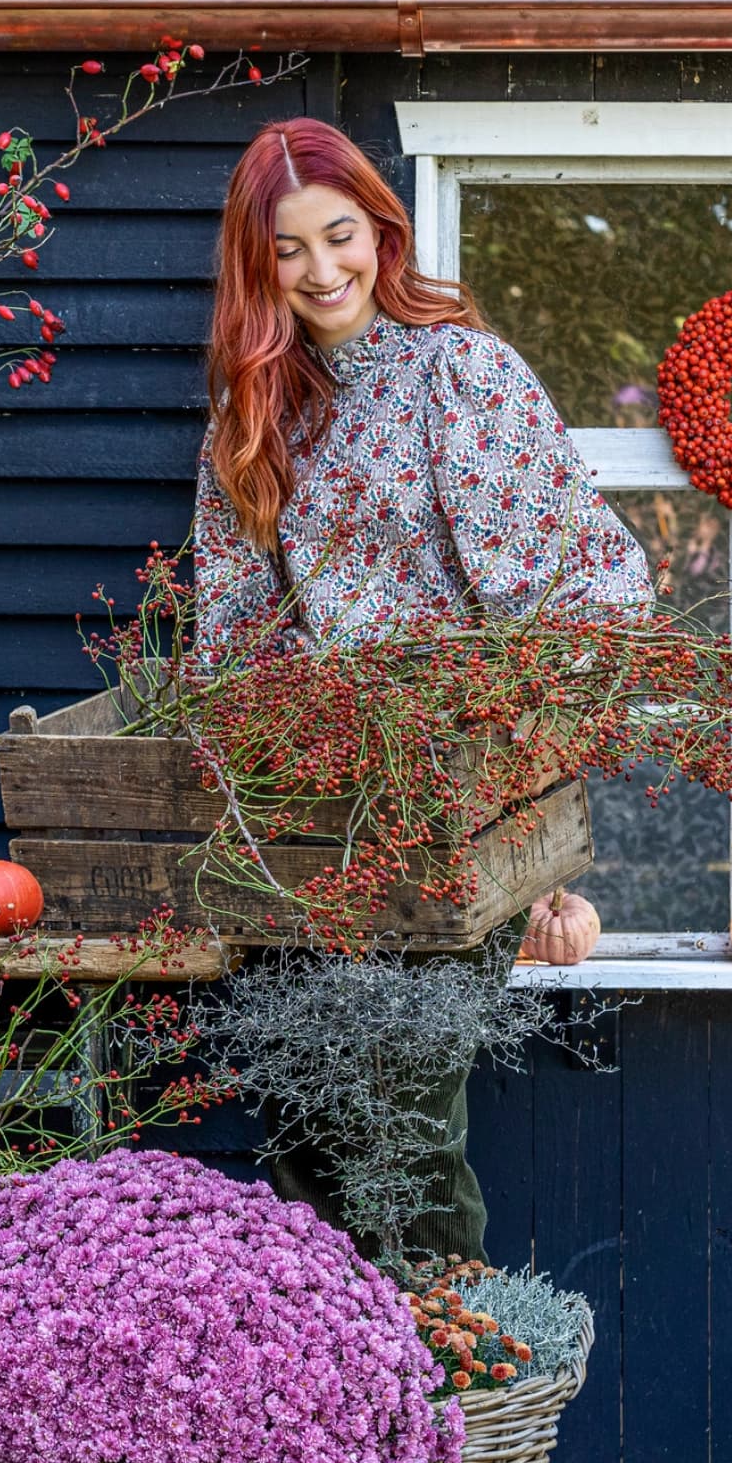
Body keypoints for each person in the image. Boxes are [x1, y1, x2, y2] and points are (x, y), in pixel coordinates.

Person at [193, 117, 653, 1264]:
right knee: (300, 1122)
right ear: (257, 269)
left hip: (454, 809)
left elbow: (568, 598)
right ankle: (329, 1406)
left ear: (380, 231)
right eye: (285, 251)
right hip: (305, 826)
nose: (320, 271)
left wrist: (543, 830)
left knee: (402, 1128)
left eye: (337, 235)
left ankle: (447, 1397)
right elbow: (236, 635)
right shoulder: (254, 417)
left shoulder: (458, 372)